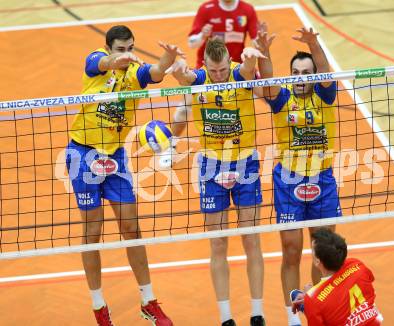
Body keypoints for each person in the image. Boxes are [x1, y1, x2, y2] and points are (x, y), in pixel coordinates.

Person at [66, 25, 183, 326]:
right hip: (83, 154)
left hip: (115, 157)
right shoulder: (96, 62)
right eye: (121, 49)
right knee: (92, 233)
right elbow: (100, 63)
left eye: (130, 48)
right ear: (109, 48)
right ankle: (98, 306)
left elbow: (154, 73)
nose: (126, 54)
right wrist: (112, 62)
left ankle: (149, 301)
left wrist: (166, 60)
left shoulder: (134, 74)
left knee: (131, 228)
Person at [168, 38, 266, 326]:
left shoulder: (239, 74)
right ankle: (226, 318)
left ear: (228, 62)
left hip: (246, 162)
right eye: (214, 71)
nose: (219, 76)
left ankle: (257, 313)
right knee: (218, 244)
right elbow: (183, 76)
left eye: (223, 69)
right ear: (205, 65)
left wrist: (250, 57)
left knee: (251, 238)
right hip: (210, 166)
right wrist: (176, 67)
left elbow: (249, 68)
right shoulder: (198, 79)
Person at [255, 27, 342, 325]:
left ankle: (320, 311)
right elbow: (266, 80)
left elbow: (326, 69)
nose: (301, 76)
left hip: (323, 181)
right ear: (290, 74)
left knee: (323, 251)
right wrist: (264, 50)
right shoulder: (281, 99)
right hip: (289, 183)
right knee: (291, 250)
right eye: (296, 71)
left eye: (307, 71)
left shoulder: (325, 94)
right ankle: (293, 318)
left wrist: (313, 43)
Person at [161, 0, 259, 168]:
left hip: (236, 73)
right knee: (184, 108)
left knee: (271, 96)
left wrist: (256, 49)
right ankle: (170, 145)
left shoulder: (247, 10)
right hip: (207, 73)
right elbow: (192, 43)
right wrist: (202, 36)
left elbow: (257, 41)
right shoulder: (207, 9)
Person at [291, 228, 383, 325]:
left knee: (296, 295)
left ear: (317, 261)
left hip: (318, 303)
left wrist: (310, 298)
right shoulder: (357, 265)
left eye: (312, 250)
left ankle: (310, 308)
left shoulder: (313, 297)